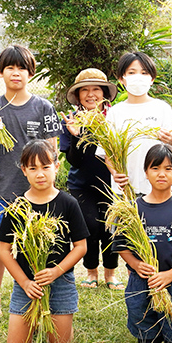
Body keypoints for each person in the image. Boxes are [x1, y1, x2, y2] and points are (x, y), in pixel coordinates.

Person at [0, 45, 64, 316]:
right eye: (10, 68)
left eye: (22, 69)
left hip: (38, 189)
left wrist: (50, 184)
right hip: (4, 186)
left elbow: (53, 150)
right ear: (0, 72)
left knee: (41, 242)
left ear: (31, 73)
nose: (16, 73)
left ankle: (41, 291)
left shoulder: (43, 106)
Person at [0, 140, 89, 343]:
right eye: (33, 168)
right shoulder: (17, 207)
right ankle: (31, 322)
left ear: (57, 167)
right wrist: (25, 282)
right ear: (24, 171)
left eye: (46, 167)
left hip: (61, 283)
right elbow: (4, 250)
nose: (40, 174)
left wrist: (57, 271)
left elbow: (80, 247)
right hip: (27, 285)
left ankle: (49, 320)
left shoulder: (68, 203)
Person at [119, 144, 172, 343]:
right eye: (155, 168)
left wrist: (171, 274)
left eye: (168, 169)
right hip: (141, 278)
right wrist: (136, 265)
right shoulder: (133, 208)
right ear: (146, 173)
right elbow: (121, 245)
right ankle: (152, 336)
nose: (161, 174)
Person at [59, 68, 122, 290]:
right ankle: (91, 272)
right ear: (77, 96)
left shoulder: (115, 118)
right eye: (84, 90)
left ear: (104, 93)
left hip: (113, 184)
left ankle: (111, 274)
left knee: (110, 227)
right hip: (82, 185)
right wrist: (77, 135)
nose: (91, 94)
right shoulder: (71, 120)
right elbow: (74, 161)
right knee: (90, 226)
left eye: (96, 89)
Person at [104, 52, 172, 197]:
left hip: (158, 190)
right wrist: (115, 173)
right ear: (122, 78)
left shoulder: (162, 108)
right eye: (132, 72)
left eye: (144, 72)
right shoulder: (115, 112)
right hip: (125, 190)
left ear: (152, 79)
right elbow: (108, 154)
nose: (138, 77)